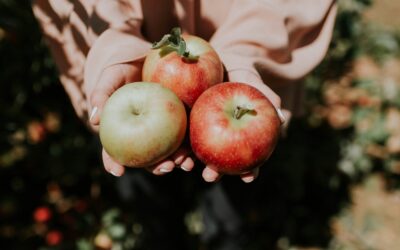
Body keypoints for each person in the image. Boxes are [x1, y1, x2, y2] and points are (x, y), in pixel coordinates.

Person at [32, 0, 337, 249]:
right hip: (134, 91)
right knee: (150, 205)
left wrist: (244, 51)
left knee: (231, 214)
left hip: (241, 81)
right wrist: (116, 44)